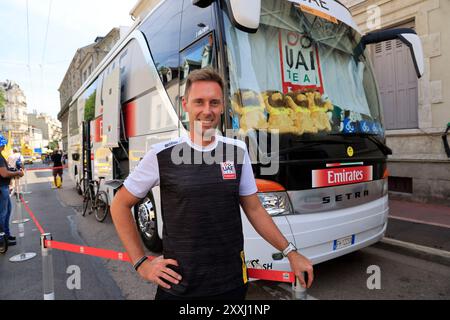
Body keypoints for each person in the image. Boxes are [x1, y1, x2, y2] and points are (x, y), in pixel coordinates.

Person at [110, 68, 314, 300]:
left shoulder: (237, 151)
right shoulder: (161, 155)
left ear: (222, 107)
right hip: (179, 288)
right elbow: (119, 205)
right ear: (185, 105)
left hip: (232, 285)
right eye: (199, 102)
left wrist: (290, 252)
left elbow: (255, 209)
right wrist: (141, 263)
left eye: (214, 103)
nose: (207, 110)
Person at [0, 134, 24, 246]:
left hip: (3, 187)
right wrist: (17, 173)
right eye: (3, 145)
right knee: (3, 214)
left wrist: (13, 172)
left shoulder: (1, 157)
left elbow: (6, 170)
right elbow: (4, 173)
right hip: (2, 188)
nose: (4, 147)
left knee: (7, 212)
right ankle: (3, 238)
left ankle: (6, 235)